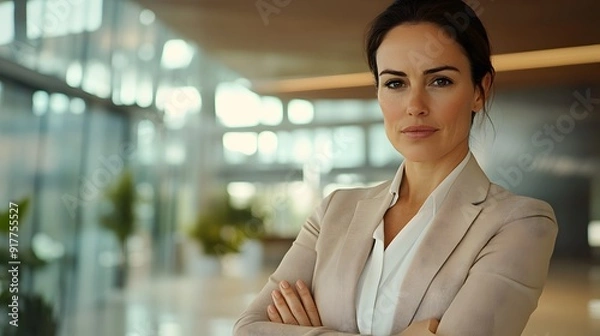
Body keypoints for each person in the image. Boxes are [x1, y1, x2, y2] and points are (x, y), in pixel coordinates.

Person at [233, 0, 558, 335]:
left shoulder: (519, 223)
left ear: (480, 90)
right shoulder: (334, 211)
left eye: (440, 81)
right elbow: (249, 328)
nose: (415, 106)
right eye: (395, 83)